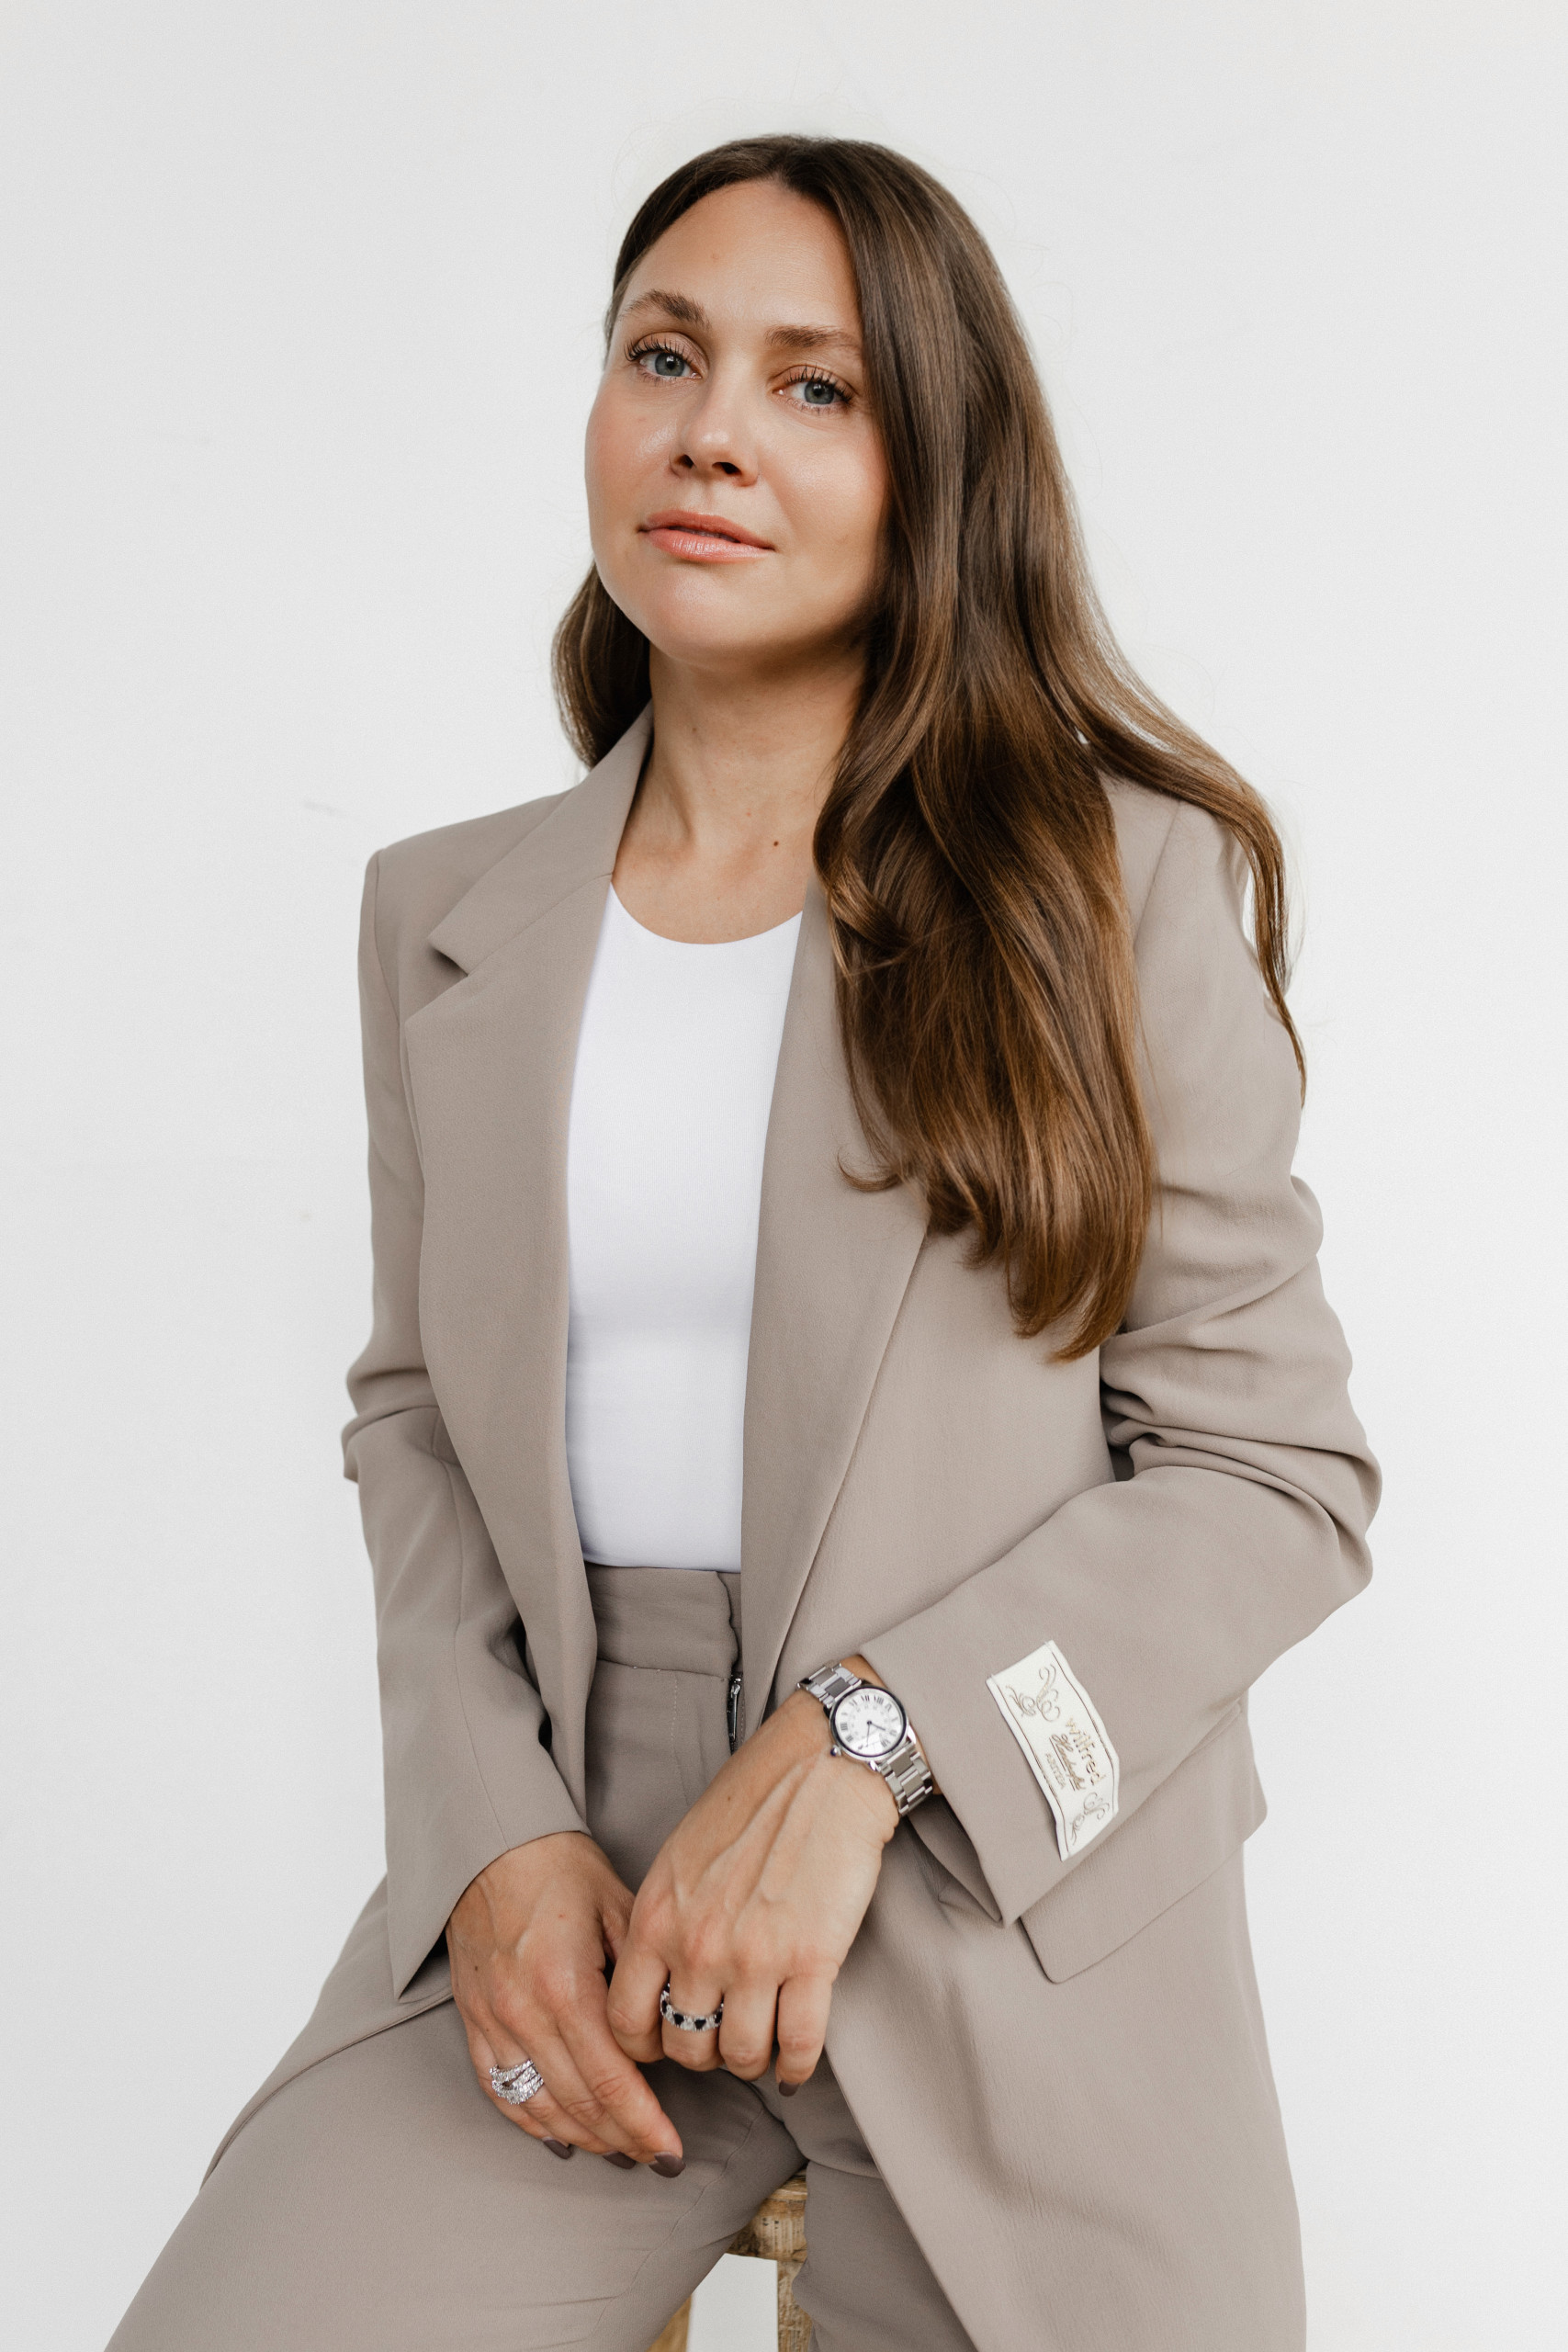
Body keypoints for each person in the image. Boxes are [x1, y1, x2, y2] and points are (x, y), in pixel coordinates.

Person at [107, 134, 1378, 2352]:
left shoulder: (1115, 893)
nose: (708, 431)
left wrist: (867, 1741)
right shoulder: (443, 915)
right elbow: (416, 1417)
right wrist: (484, 1837)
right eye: (661, 355)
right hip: (563, 1891)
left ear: (933, 468)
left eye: (814, 386)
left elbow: (1272, 1476)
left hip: (1005, 1895)